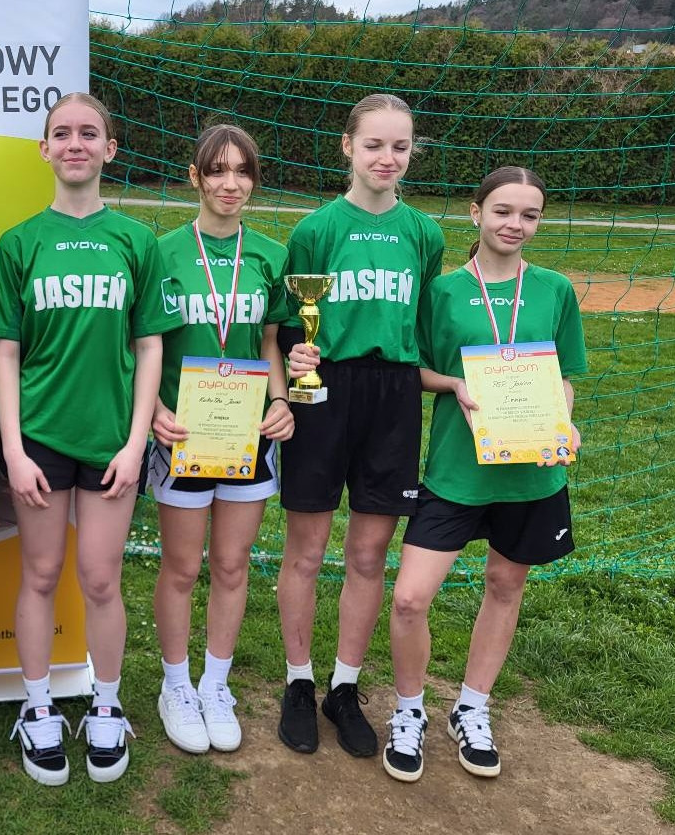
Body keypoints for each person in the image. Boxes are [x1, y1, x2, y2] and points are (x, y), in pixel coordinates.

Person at [0, 92, 179, 785]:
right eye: (61, 133)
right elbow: (5, 351)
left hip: (110, 440)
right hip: (39, 438)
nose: (75, 143)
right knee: (39, 574)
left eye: (88, 133)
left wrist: (135, 441)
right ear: (44, 149)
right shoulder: (18, 243)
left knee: (99, 577)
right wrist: (12, 448)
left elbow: (149, 345)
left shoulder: (134, 240)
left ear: (109, 149)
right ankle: (37, 705)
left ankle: (105, 702)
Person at [383, 166, 585, 782]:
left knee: (504, 585)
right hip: (457, 470)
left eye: (529, 214)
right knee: (410, 598)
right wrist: (453, 384)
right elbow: (415, 368)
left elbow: (564, 375)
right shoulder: (442, 292)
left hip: (530, 473)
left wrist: (564, 425)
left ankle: (472, 707)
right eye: (502, 211)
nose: (514, 224)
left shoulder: (555, 290)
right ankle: (409, 710)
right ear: (476, 214)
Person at [276, 93, 445, 758]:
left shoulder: (423, 234)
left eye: (400, 146)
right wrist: (295, 355)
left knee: (369, 554)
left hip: (393, 395)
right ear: (347, 146)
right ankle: (297, 681)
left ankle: (342, 687)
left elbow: (424, 326)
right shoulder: (316, 230)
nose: (387, 158)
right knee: (307, 549)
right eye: (374, 144)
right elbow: (291, 325)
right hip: (323, 390)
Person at [148, 124, 293, 754]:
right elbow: (143, 344)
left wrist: (282, 400)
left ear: (254, 181)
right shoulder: (161, 253)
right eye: (217, 170)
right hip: (182, 431)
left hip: (247, 431)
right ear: (195, 177)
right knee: (182, 566)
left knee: (232, 564)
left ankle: (215, 684)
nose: (230, 183)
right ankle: (175, 685)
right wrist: (154, 409)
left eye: (242, 171)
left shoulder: (270, 255)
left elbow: (271, 340)